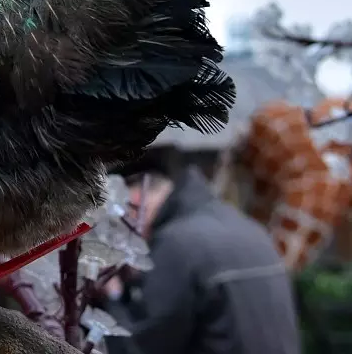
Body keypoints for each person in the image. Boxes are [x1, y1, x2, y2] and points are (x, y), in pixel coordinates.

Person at [101, 150, 301, 354]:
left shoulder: (176, 243)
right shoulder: (245, 226)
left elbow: (137, 346)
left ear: (133, 202)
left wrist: (112, 293)